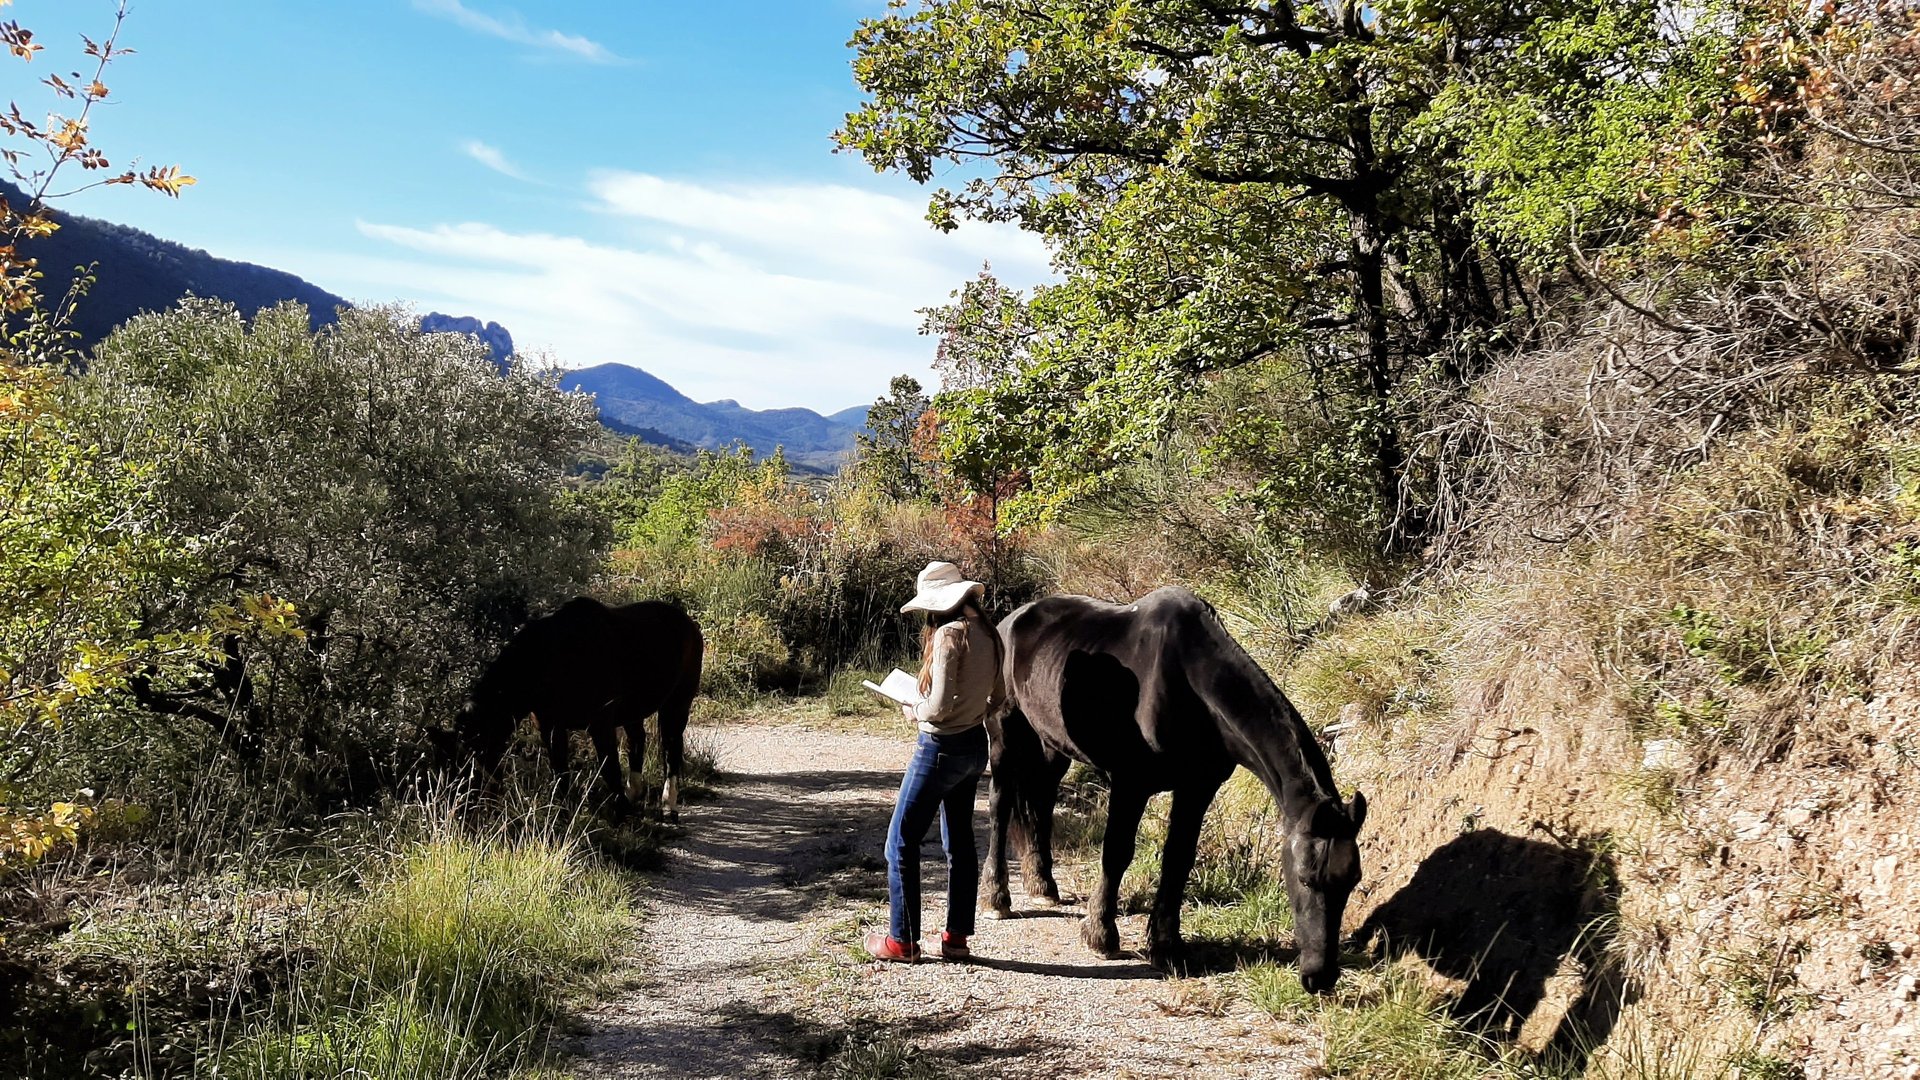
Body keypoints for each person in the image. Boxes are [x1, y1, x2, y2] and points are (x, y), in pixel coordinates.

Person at [866, 560, 1004, 963]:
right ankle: (956, 939)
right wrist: (971, 712)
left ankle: (902, 941)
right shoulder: (988, 634)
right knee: (960, 843)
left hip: (938, 750)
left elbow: (939, 705)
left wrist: (915, 709)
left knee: (900, 841)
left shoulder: (947, 637)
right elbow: (1000, 696)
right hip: (974, 745)